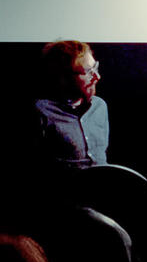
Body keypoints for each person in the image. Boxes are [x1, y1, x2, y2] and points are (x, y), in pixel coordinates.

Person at [34, 39, 109, 169]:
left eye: (95, 68)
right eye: (88, 72)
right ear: (64, 77)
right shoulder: (41, 112)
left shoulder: (100, 106)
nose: (97, 77)